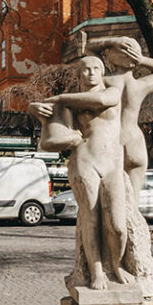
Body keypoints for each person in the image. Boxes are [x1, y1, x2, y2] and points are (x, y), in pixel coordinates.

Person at [30, 55, 132, 290]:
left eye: (96, 68)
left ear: (102, 71)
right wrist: (35, 109)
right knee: (91, 217)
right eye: (85, 70)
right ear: (79, 74)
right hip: (85, 160)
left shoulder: (112, 91)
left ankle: (116, 265)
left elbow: (100, 100)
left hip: (112, 164)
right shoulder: (67, 106)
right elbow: (50, 139)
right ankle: (97, 271)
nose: (91, 73)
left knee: (117, 224)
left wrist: (60, 98)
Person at [85, 36, 153, 199]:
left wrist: (110, 41)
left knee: (108, 199)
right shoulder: (140, 85)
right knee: (132, 201)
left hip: (111, 141)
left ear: (112, 56)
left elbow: (88, 50)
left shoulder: (105, 82)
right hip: (134, 140)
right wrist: (141, 59)